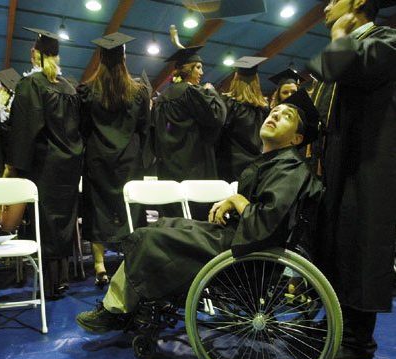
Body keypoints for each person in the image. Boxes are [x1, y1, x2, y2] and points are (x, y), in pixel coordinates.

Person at [76, 90, 323, 332]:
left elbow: (263, 224)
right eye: (275, 110)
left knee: (152, 237)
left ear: (296, 139)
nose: (275, 115)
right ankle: (127, 304)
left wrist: (236, 200)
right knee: (163, 225)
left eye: (287, 116)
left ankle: (116, 310)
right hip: (239, 240)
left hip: (245, 252)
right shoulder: (276, 162)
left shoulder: (289, 168)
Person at [307, 0, 396, 359]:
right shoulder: (355, 44)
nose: (326, 6)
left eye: (334, 0)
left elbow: (343, 66)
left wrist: (340, 34)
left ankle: (358, 341)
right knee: (336, 244)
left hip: (370, 168)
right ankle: (334, 326)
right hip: (340, 165)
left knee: (360, 246)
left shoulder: (386, 41)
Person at [4, 28, 83, 298]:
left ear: (33, 54)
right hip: (68, 166)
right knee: (63, 222)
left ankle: (49, 284)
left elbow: (25, 130)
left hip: (43, 166)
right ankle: (62, 279)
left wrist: (14, 166)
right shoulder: (69, 88)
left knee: (44, 223)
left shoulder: (31, 85)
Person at [78, 32, 150, 287]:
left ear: (100, 59)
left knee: (98, 209)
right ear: (124, 59)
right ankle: (130, 259)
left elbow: (83, 127)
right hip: (129, 161)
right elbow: (144, 127)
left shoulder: (87, 91)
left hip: (97, 159)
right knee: (129, 208)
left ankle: (99, 265)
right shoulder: (139, 92)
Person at [152, 46, 227, 220]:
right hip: (194, 164)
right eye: (198, 67)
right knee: (195, 213)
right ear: (188, 69)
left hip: (168, 165)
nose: (202, 72)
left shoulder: (162, 97)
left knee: (173, 212)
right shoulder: (190, 92)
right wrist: (211, 92)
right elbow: (217, 116)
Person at [215, 56, 269, 183]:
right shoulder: (264, 110)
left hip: (229, 169)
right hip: (256, 168)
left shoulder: (227, 104)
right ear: (257, 81)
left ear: (236, 79)